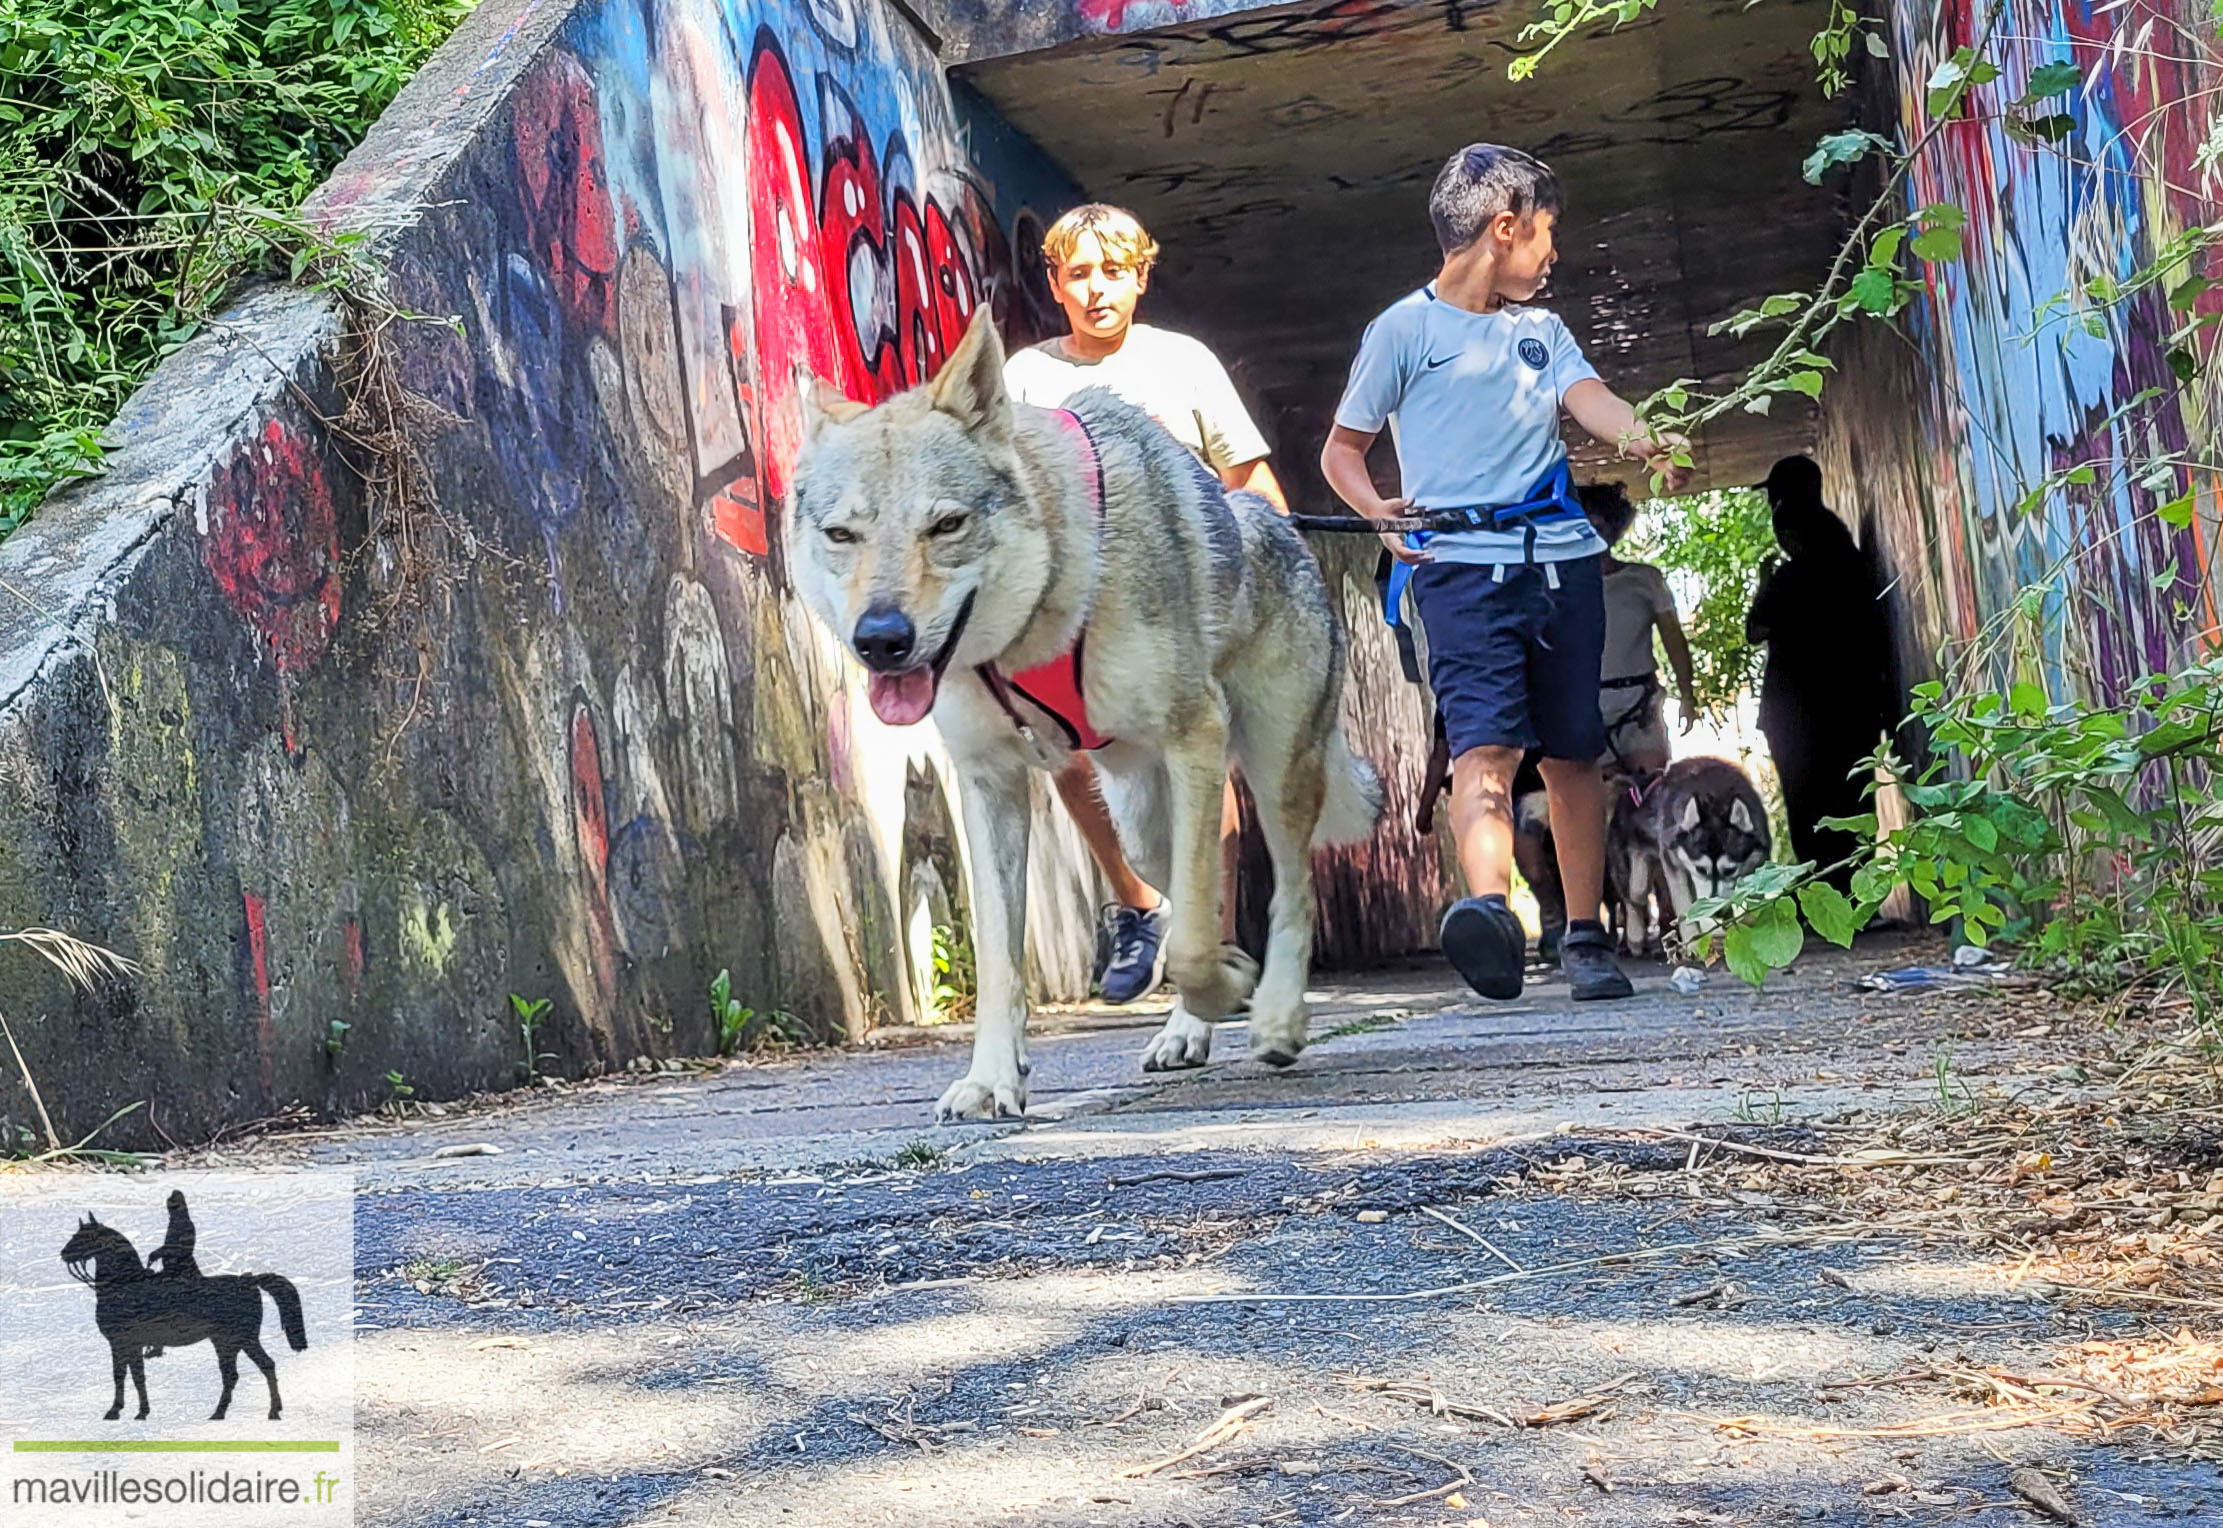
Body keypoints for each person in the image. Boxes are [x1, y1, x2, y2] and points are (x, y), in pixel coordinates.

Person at [1320, 144, 1688, 1003]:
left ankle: (1586, 939)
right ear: (1505, 227)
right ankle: (1488, 918)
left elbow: (1589, 399)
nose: (1552, 254)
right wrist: (1377, 510)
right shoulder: (1402, 331)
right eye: (1547, 233)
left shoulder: (1541, 333)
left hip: (1560, 568)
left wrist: (1642, 435)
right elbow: (1343, 449)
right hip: (1457, 573)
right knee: (1482, 747)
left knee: (1571, 755)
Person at [1002, 203, 1288, 1003]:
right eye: (1079, 274)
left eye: (1113, 273)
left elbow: (1250, 486)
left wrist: (1274, 577)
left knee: (1198, 761)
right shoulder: (1025, 378)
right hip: (1073, 613)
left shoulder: (1184, 364)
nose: (1097, 290)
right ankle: (1138, 906)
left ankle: (1213, 946)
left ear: (1140, 276)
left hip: (1180, 608)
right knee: (1061, 752)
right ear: (1055, 283)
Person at [1746, 455, 1890, 891]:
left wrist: (1765, 581)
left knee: (1809, 807)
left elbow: (1756, 629)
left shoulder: (1794, 573)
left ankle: (1829, 899)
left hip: (1798, 712)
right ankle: (1856, 899)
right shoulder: (1848, 558)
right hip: (1853, 705)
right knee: (1852, 800)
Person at [1580, 481, 1698, 775]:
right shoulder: (1559, 588)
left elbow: (1674, 641)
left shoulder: (1645, 579)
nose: (1595, 536)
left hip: (1639, 703)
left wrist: (1687, 695)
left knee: (1650, 794)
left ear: (1615, 529)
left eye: (1602, 527)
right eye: (1586, 528)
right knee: (1604, 805)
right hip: (1586, 706)